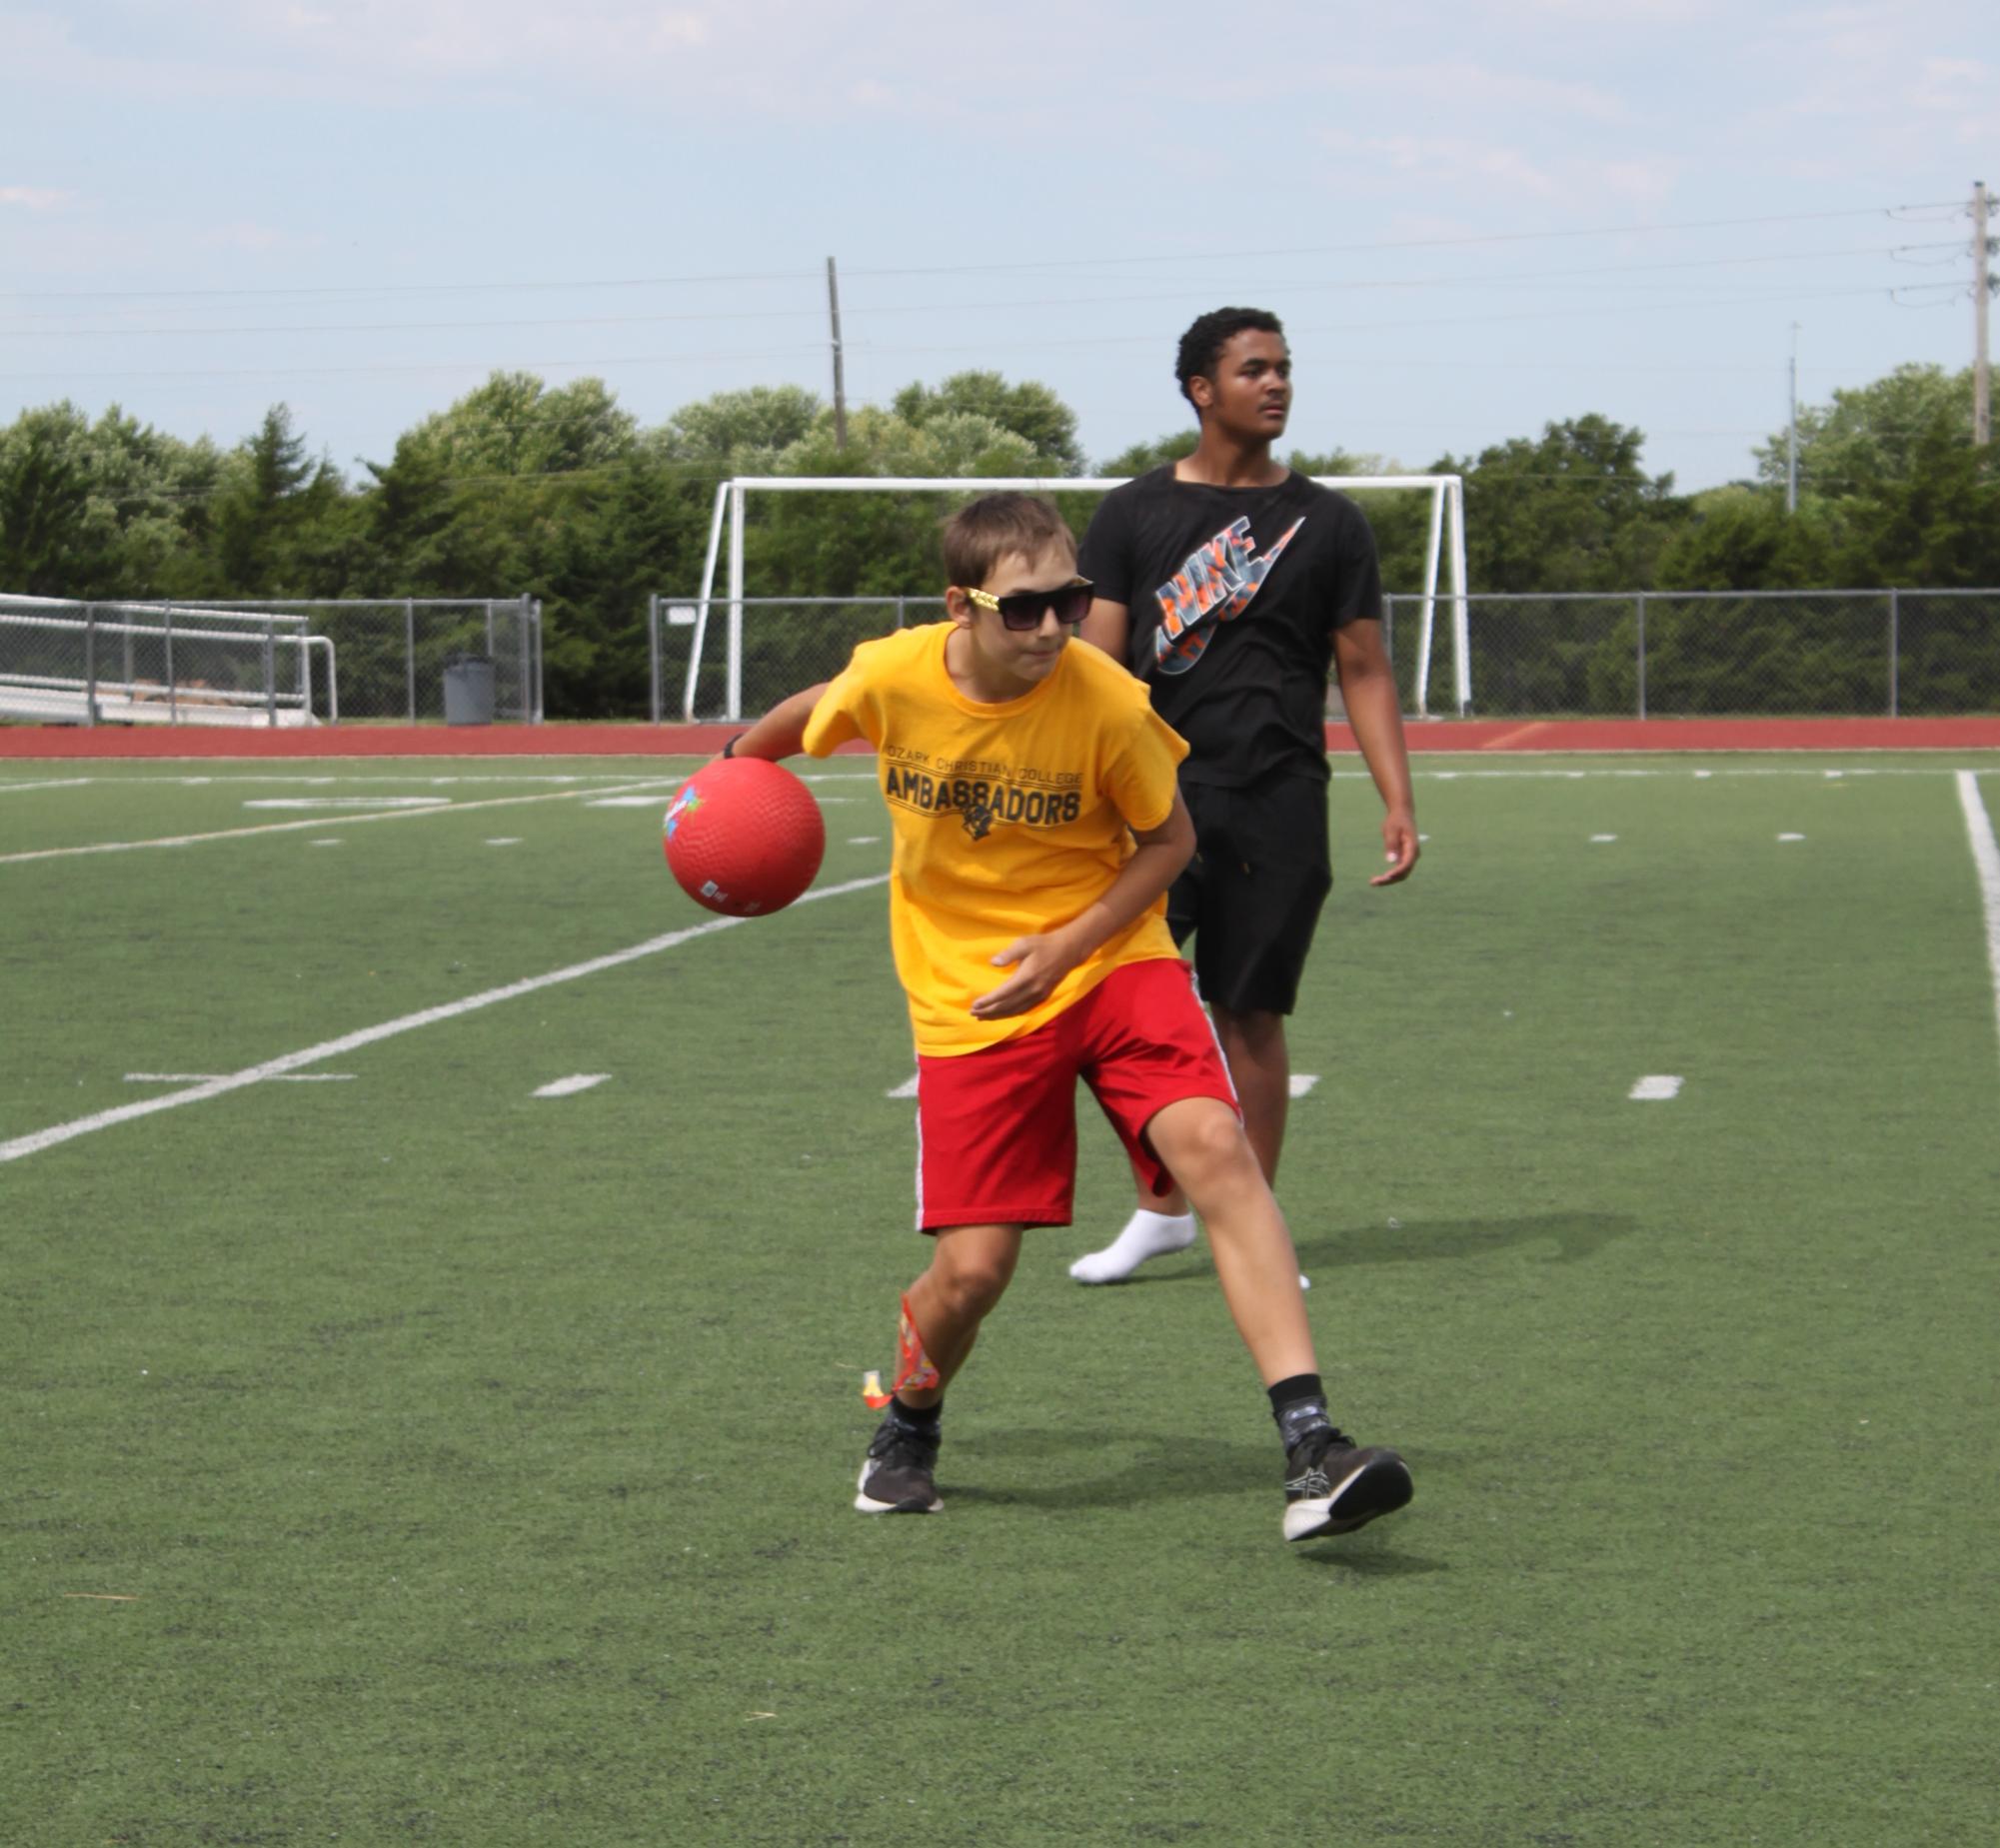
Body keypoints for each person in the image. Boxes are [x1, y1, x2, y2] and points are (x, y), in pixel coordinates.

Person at [724, 492, 1411, 1544]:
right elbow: (818, 709)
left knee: (1215, 1148)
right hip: (972, 995)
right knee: (973, 1272)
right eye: (1025, 607)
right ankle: (907, 1422)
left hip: (1106, 961)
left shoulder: (1107, 700)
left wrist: (1068, 944)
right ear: (962, 604)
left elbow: (1169, 843)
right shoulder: (895, 672)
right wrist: (729, 772)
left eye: (1072, 599)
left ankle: (1313, 1446)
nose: (1054, 627)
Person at [1065, 307, 1419, 1286]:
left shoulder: (1332, 522)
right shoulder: (1134, 512)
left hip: (1278, 796)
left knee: (1250, 1012)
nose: (1277, 384)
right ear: (1200, 389)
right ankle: (1162, 1207)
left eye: (1284, 368)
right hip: (1151, 807)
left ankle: (1247, 1224)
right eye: (1254, 369)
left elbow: (1365, 667)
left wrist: (1399, 796)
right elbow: (1095, 665)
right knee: (1115, 1008)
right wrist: (1080, 788)